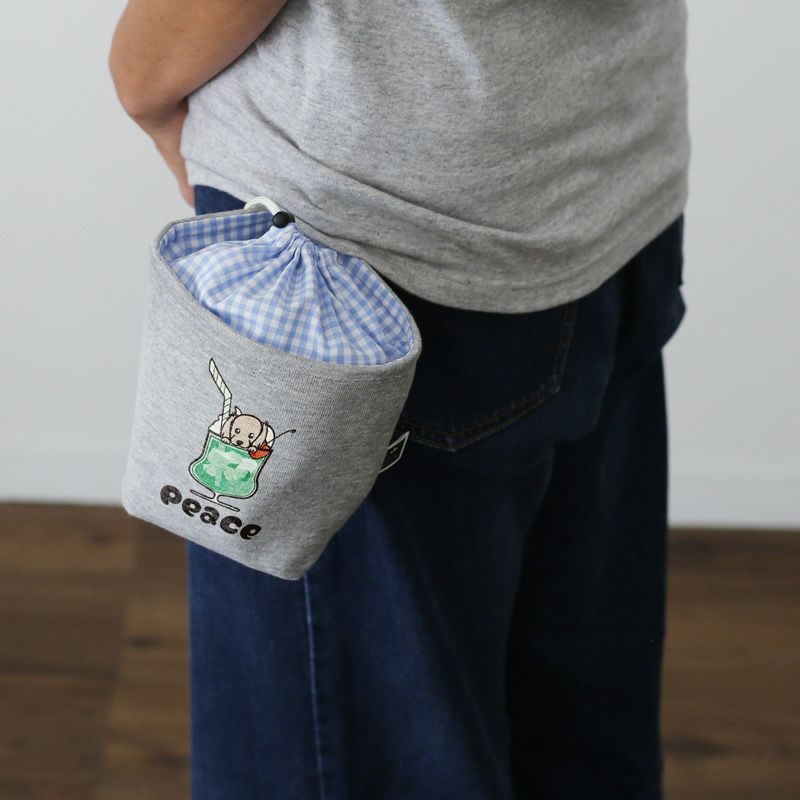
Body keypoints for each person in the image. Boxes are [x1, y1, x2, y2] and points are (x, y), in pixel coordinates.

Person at [109, 1, 690, 798]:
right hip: (607, 179)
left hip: (362, 245)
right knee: (579, 728)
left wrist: (139, 76)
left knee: (340, 765)